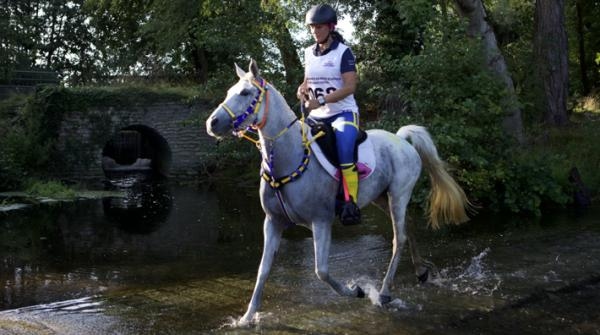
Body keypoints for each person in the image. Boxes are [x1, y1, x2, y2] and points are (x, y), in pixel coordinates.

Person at [297, 4, 361, 225]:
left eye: (319, 26)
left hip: (343, 113)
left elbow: (350, 87)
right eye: (312, 27)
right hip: (317, 115)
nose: (315, 31)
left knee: (344, 148)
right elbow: (308, 79)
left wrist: (321, 100)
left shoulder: (344, 52)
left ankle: (350, 202)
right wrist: (302, 88)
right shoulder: (307, 52)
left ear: (331, 27)